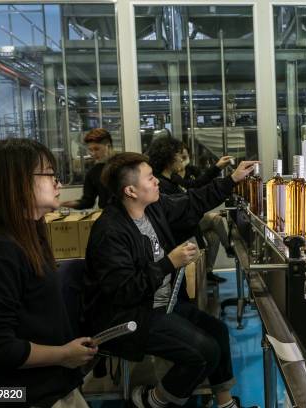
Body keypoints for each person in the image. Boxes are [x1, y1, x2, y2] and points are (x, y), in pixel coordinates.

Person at [84, 152, 257, 408]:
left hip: (163, 303)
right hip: (131, 315)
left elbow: (193, 201)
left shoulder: (153, 208)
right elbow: (123, 291)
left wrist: (232, 179)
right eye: (150, 178)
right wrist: (169, 263)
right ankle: (151, 400)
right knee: (204, 351)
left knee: (218, 331)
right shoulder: (111, 231)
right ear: (130, 190)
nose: (156, 182)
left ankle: (225, 403)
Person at [0, 139, 98, 408]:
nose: (58, 183)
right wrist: (62, 355)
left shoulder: (29, 233)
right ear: (16, 181)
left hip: (48, 388)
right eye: (49, 174)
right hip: (17, 396)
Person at [147, 137, 235, 283]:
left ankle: (209, 271)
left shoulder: (173, 179)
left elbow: (195, 185)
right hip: (182, 242)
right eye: (178, 154)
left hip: (190, 237)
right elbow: (183, 210)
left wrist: (217, 167)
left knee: (213, 236)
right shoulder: (162, 186)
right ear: (168, 158)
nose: (182, 158)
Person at [61, 128, 114, 209]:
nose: (93, 153)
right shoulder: (93, 173)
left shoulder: (125, 165)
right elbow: (87, 201)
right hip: (108, 215)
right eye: (90, 150)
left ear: (108, 146)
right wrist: (61, 204)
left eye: (96, 149)